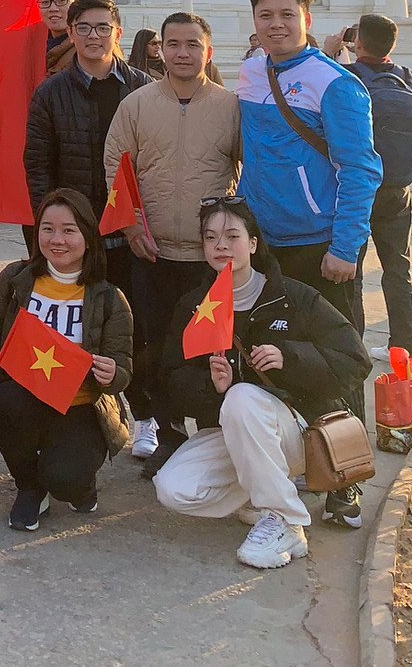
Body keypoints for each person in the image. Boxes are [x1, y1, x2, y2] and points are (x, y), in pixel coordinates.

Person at [154, 198, 371, 570]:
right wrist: (210, 387)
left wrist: (291, 357)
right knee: (173, 488)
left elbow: (356, 360)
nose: (221, 245)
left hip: (297, 433)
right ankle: (262, 495)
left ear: (253, 243)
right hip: (234, 431)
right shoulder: (195, 306)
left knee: (241, 398)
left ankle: (286, 521)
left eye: (232, 236)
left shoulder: (294, 297)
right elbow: (170, 382)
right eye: (210, 237)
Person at [235, 0, 380, 528]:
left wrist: (346, 246)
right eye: (265, 15)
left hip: (323, 248)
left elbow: (362, 168)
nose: (276, 24)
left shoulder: (336, 83)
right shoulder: (252, 72)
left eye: (286, 14)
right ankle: (299, 463)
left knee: (338, 361)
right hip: (267, 248)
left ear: (307, 19)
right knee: (282, 357)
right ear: (254, 22)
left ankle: (345, 478)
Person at [103, 11, 240, 470]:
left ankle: (216, 439)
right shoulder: (138, 105)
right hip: (153, 252)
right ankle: (166, 431)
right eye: (173, 44)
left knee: (209, 349)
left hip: (210, 258)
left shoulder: (229, 107)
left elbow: (247, 172)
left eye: (192, 44)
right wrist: (131, 227)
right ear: (160, 49)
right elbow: (115, 168)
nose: (183, 53)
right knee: (155, 345)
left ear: (208, 51)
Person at [22, 0, 153, 426]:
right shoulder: (51, 92)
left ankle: (148, 416)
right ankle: (73, 414)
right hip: (75, 234)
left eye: (103, 27)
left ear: (118, 32)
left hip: (131, 230)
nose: (93, 36)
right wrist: (51, 224)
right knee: (73, 324)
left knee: (134, 323)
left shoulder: (141, 88)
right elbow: (37, 164)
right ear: (71, 33)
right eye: (84, 28)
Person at [0, 188, 133, 530]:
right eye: (47, 228)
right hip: (25, 397)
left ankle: (77, 483)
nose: (57, 239)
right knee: (3, 400)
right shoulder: (16, 280)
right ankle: (30, 487)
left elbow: (124, 368)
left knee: (66, 480)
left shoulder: (109, 298)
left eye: (69, 230)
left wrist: (112, 372)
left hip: (80, 406)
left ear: (88, 236)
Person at [344, 13, 412, 355]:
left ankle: (354, 347)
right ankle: (404, 347)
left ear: (358, 42)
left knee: (353, 272)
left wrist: (335, 49)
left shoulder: (348, 77)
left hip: (359, 188)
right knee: (398, 269)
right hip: (398, 188)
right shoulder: (407, 78)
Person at [33, 0, 83, 76]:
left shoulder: (87, 47)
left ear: (77, 2)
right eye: (45, 2)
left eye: (61, 0)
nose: (53, 9)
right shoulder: (35, 42)